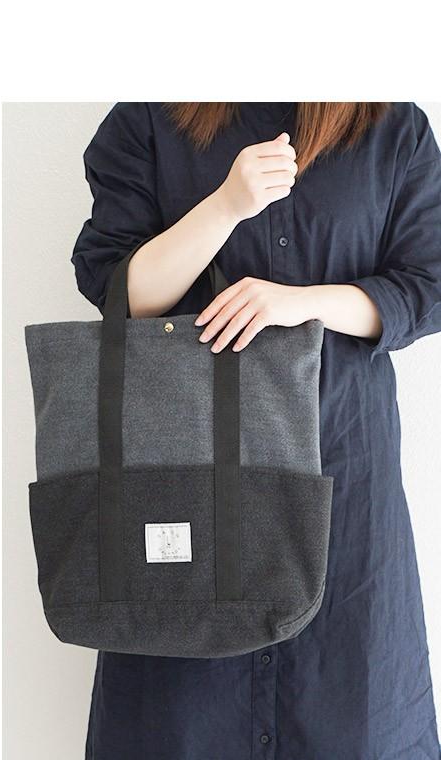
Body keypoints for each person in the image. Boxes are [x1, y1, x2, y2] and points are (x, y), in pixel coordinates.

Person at [71, 102, 441, 759]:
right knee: (178, 723)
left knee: (354, 714)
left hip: (344, 474)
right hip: (185, 481)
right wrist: (224, 207)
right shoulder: (151, 118)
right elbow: (118, 293)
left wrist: (298, 303)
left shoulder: (390, 126)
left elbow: (428, 285)